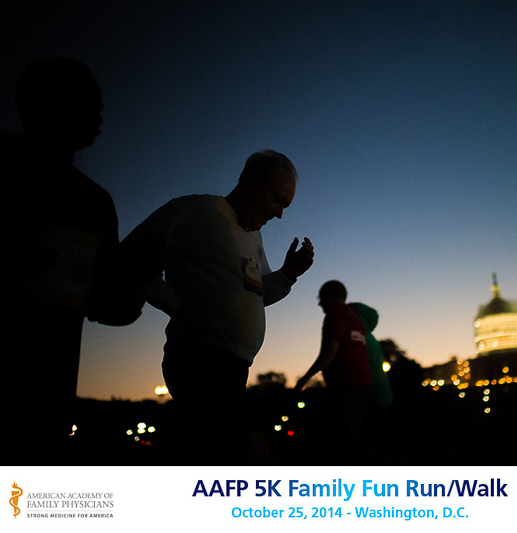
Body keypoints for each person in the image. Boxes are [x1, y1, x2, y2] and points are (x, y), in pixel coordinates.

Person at [121, 149, 314, 464]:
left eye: (285, 206)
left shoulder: (254, 236)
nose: (280, 214)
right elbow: (131, 260)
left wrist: (288, 273)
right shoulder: (194, 212)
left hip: (233, 371)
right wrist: (178, 307)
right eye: (277, 199)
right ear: (251, 183)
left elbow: (258, 294)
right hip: (200, 363)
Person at [3, 57, 140, 464]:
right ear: (41, 101)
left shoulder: (97, 203)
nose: (100, 109)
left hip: (45, 412)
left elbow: (110, 304)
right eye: (88, 97)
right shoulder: (91, 202)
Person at [295, 280, 373, 464]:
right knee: (357, 440)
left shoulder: (335, 314)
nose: (320, 303)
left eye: (321, 298)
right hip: (364, 385)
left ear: (330, 295)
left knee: (343, 444)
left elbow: (329, 352)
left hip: (347, 385)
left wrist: (305, 379)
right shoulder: (354, 317)